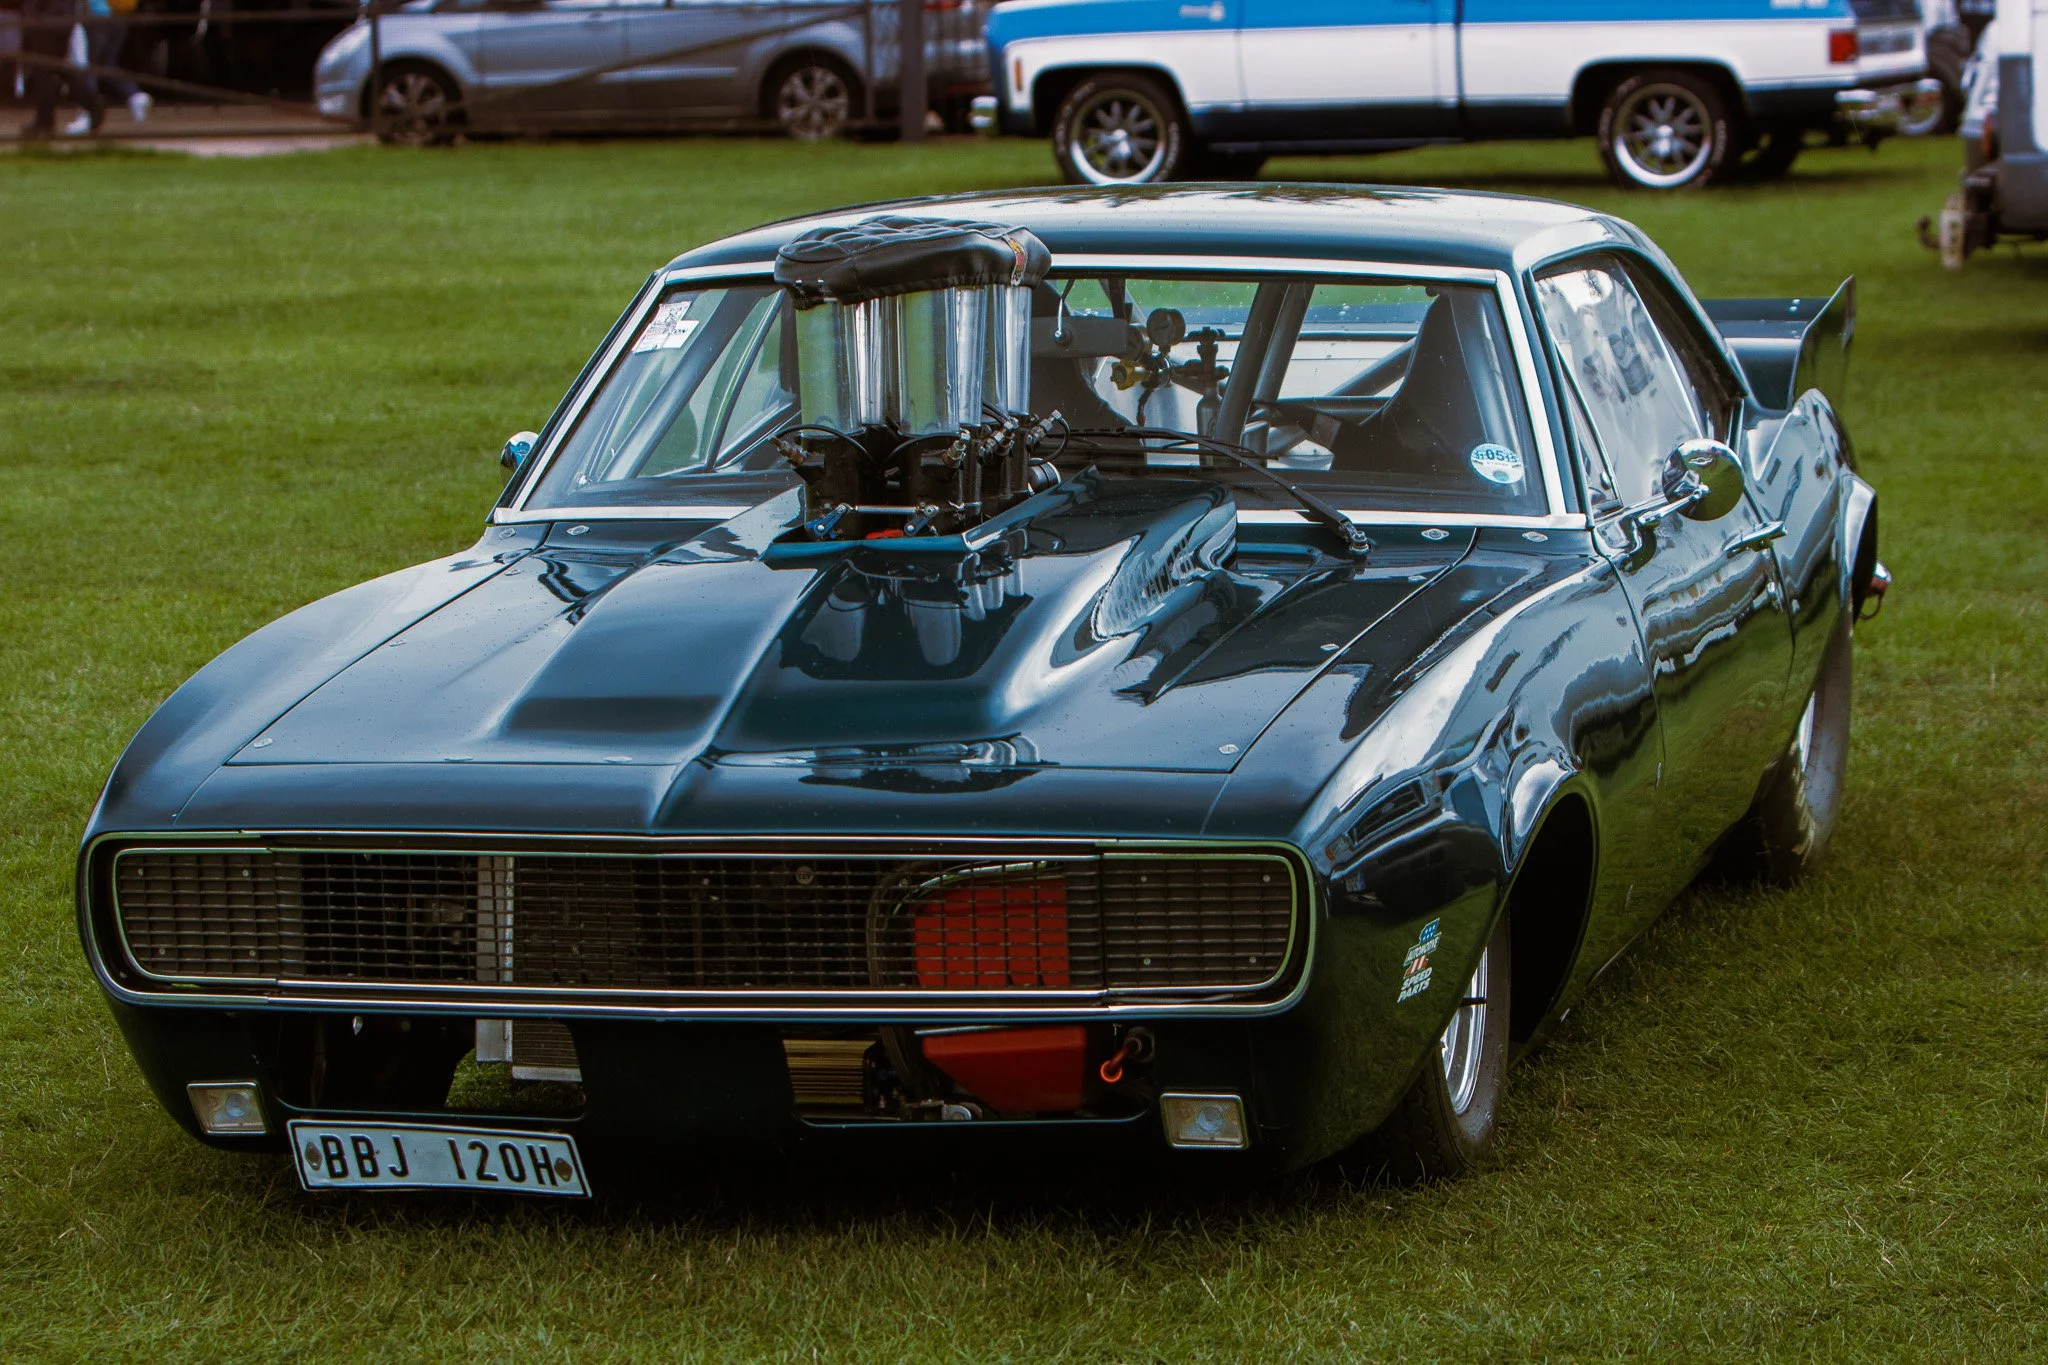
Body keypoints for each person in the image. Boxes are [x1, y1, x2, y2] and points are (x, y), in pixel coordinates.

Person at [63, 0, 147, 134]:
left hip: (96, 18)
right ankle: (134, 94)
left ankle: (88, 113)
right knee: (107, 63)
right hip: (118, 17)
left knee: (89, 67)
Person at [19, 0, 97, 139]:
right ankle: (92, 105)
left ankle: (45, 122)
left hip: (47, 23)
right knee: (56, 70)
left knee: (45, 73)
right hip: (59, 22)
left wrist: (33, 18)